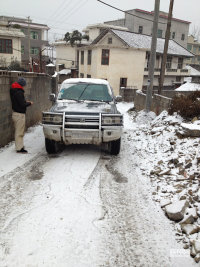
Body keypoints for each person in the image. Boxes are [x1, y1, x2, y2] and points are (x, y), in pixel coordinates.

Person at [10, 77, 33, 153]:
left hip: (16, 113)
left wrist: (25, 101)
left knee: (18, 131)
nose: (24, 86)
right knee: (19, 132)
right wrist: (29, 103)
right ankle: (19, 148)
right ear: (22, 84)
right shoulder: (19, 92)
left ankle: (19, 146)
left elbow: (19, 102)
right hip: (19, 115)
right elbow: (22, 104)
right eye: (24, 85)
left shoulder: (15, 90)